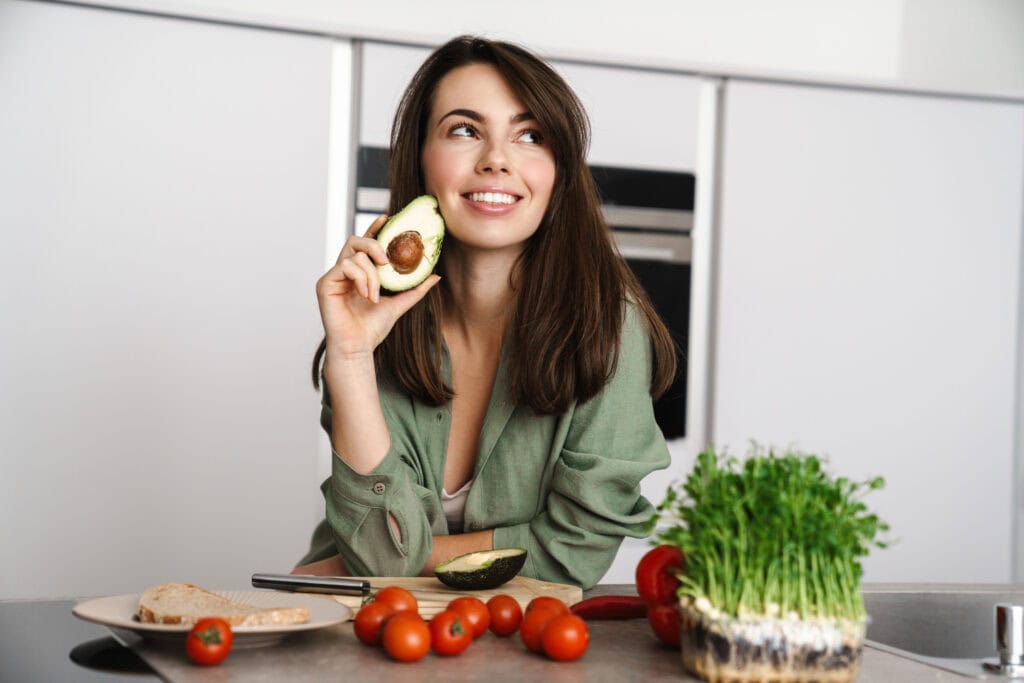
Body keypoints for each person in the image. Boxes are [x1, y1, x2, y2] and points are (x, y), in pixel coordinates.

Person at [294, 35, 677, 590]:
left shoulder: (607, 325)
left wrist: (405, 559)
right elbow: (378, 548)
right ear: (421, 158)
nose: (497, 159)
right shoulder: (366, 317)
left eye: (530, 135)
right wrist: (350, 356)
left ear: (558, 170)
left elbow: (577, 549)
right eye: (465, 130)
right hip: (369, 626)